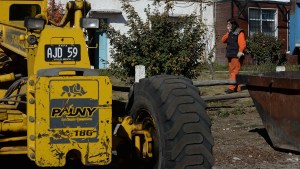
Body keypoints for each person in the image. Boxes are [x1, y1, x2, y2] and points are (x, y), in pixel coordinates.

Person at [221, 18, 246, 94]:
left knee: (234, 71)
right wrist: (228, 32)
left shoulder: (239, 32)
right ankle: (237, 88)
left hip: (236, 55)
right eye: (227, 24)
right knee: (233, 72)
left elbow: (242, 43)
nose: (227, 25)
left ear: (233, 24)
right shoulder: (230, 33)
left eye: (229, 24)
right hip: (230, 54)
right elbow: (223, 40)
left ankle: (231, 88)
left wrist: (240, 51)